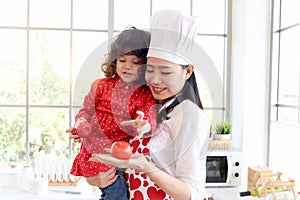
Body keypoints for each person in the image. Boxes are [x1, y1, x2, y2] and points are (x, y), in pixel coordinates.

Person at [90, 9, 210, 200]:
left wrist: (147, 167)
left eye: (165, 72)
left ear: (187, 72)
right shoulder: (146, 106)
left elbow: (192, 193)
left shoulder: (189, 116)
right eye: (150, 69)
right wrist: (97, 178)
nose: (155, 80)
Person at [66, 27, 157, 200]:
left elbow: (149, 118)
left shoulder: (146, 94)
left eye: (136, 62)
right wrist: (81, 125)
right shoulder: (101, 85)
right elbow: (85, 111)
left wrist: (143, 125)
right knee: (117, 192)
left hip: (119, 156)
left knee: (119, 191)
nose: (127, 66)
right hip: (94, 152)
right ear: (115, 61)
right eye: (122, 60)